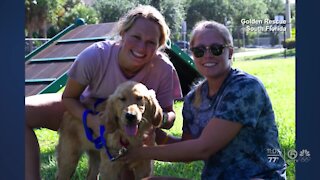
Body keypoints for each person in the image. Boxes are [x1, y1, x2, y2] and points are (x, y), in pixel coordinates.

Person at [25, 5, 182, 180]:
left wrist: (156, 120)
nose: (142, 47)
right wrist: (90, 120)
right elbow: (68, 97)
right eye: (136, 37)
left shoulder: (164, 68)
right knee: (20, 112)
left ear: (159, 44)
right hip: (83, 111)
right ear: (123, 33)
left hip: (128, 130)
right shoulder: (96, 56)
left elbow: (169, 115)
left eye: (151, 42)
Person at [125, 20, 287, 180]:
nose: (207, 55)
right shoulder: (193, 99)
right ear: (192, 55)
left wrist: (139, 153)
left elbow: (203, 148)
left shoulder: (246, 87)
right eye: (199, 51)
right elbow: (188, 150)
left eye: (216, 49)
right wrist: (154, 134)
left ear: (230, 52)